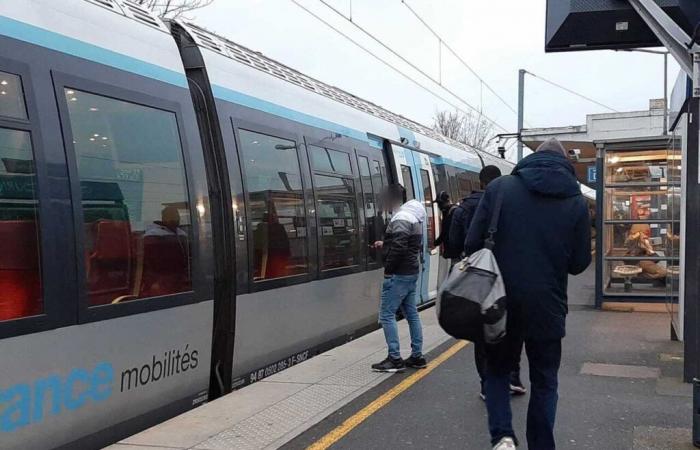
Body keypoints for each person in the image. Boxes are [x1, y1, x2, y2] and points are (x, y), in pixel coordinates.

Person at [465, 138, 591, 450]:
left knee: (497, 371)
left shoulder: (500, 189)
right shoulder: (575, 200)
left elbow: (471, 245)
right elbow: (578, 264)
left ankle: (503, 437)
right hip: (548, 306)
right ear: (565, 162)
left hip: (499, 302)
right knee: (545, 381)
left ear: (532, 159)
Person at [451, 166, 526, 401]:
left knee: (483, 331)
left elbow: (461, 244)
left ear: (482, 182)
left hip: (481, 277)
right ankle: (512, 376)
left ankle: (487, 382)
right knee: (511, 327)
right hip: (512, 276)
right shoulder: (515, 203)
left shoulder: (466, 207)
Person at [371, 184, 427, 373]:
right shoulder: (414, 215)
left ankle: (394, 358)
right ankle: (417, 356)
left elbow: (400, 247)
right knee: (412, 313)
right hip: (411, 271)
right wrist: (386, 243)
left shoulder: (401, 217)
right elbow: (407, 243)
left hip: (399, 273)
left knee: (386, 315)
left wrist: (389, 270)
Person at [433, 191, 461, 262]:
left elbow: (447, 232)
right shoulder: (447, 212)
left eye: (441, 203)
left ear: (447, 201)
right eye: (438, 204)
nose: (439, 206)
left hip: (457, 253)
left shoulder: (453, 212)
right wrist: (436, 243)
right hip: (454, 252)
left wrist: (436, 243)